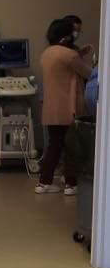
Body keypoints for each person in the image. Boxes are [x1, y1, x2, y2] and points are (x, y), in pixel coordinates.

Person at [36, 18, 92, 195]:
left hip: (51, 108)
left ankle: (44, 182)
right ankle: (71, 184)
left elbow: (63, 67)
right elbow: (88, 73)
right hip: (69, 108)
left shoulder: (47, 53)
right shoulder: (69, 55)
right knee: (72, 147)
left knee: (55, 146)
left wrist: (79, 54)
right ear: (67, 35)